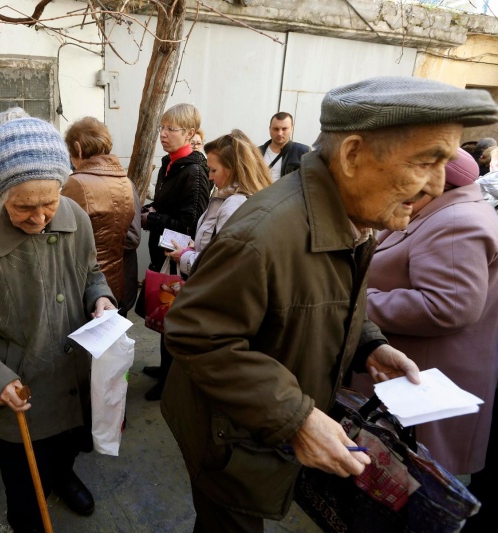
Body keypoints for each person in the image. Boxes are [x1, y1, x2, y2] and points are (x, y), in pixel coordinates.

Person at [160, 76, 498, 533]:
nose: (437, 187)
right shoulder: (263, 235)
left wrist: (368, 343)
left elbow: (318, 299)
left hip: (256, 426)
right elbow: (194, 334)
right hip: (226, 437)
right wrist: (297, 420)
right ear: (353, 154)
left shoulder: (350, 213)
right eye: (426, 162)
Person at [0, 117, 116, 532]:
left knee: (69, 445)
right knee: (27, 495)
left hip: (74, 374)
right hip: (21, 393)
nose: (39, 218)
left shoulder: (75, 217)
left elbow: (91, 273)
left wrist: (100, 298)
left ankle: (65, 476)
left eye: (48, 202)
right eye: (23, 207)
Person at [350, 148, 498, 480]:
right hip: (410, 377)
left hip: (426, 385)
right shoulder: (439, 210)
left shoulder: (457, 221)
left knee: (410, 488)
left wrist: (359, 302)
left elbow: (448, 306)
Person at [140, 103, 211, 401]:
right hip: (164, 254)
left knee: (174, 320)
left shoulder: (193, 171)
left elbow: (189, 224)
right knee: (163, 315)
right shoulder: (170, 165)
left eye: (171, 129)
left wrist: (151, 219)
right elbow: (165, 207)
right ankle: (163, 367)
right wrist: (150, 210)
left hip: (179, 261)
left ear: (190, 133)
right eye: (162, 127)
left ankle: (171, 380)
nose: (163, 134)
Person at [166, 130, 271, 276]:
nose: (209, 176)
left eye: (213, 170)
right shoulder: (229, 196)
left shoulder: (234, 204)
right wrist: (196, 247)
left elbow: (224, 262)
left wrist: (184, 257)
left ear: (232, 169)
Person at [62, 116, 137, 303]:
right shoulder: (125, 182)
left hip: (86, 284)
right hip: (116, 279)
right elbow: (132, 237)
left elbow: (63, 240)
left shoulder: (76, 183)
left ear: (77, 149)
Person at [259, 111, 310, 181]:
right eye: (276, 129)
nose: (279, 133)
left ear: (292, 128)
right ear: (269, 129)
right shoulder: (256, 152)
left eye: (284, 129)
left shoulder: (303, 152)